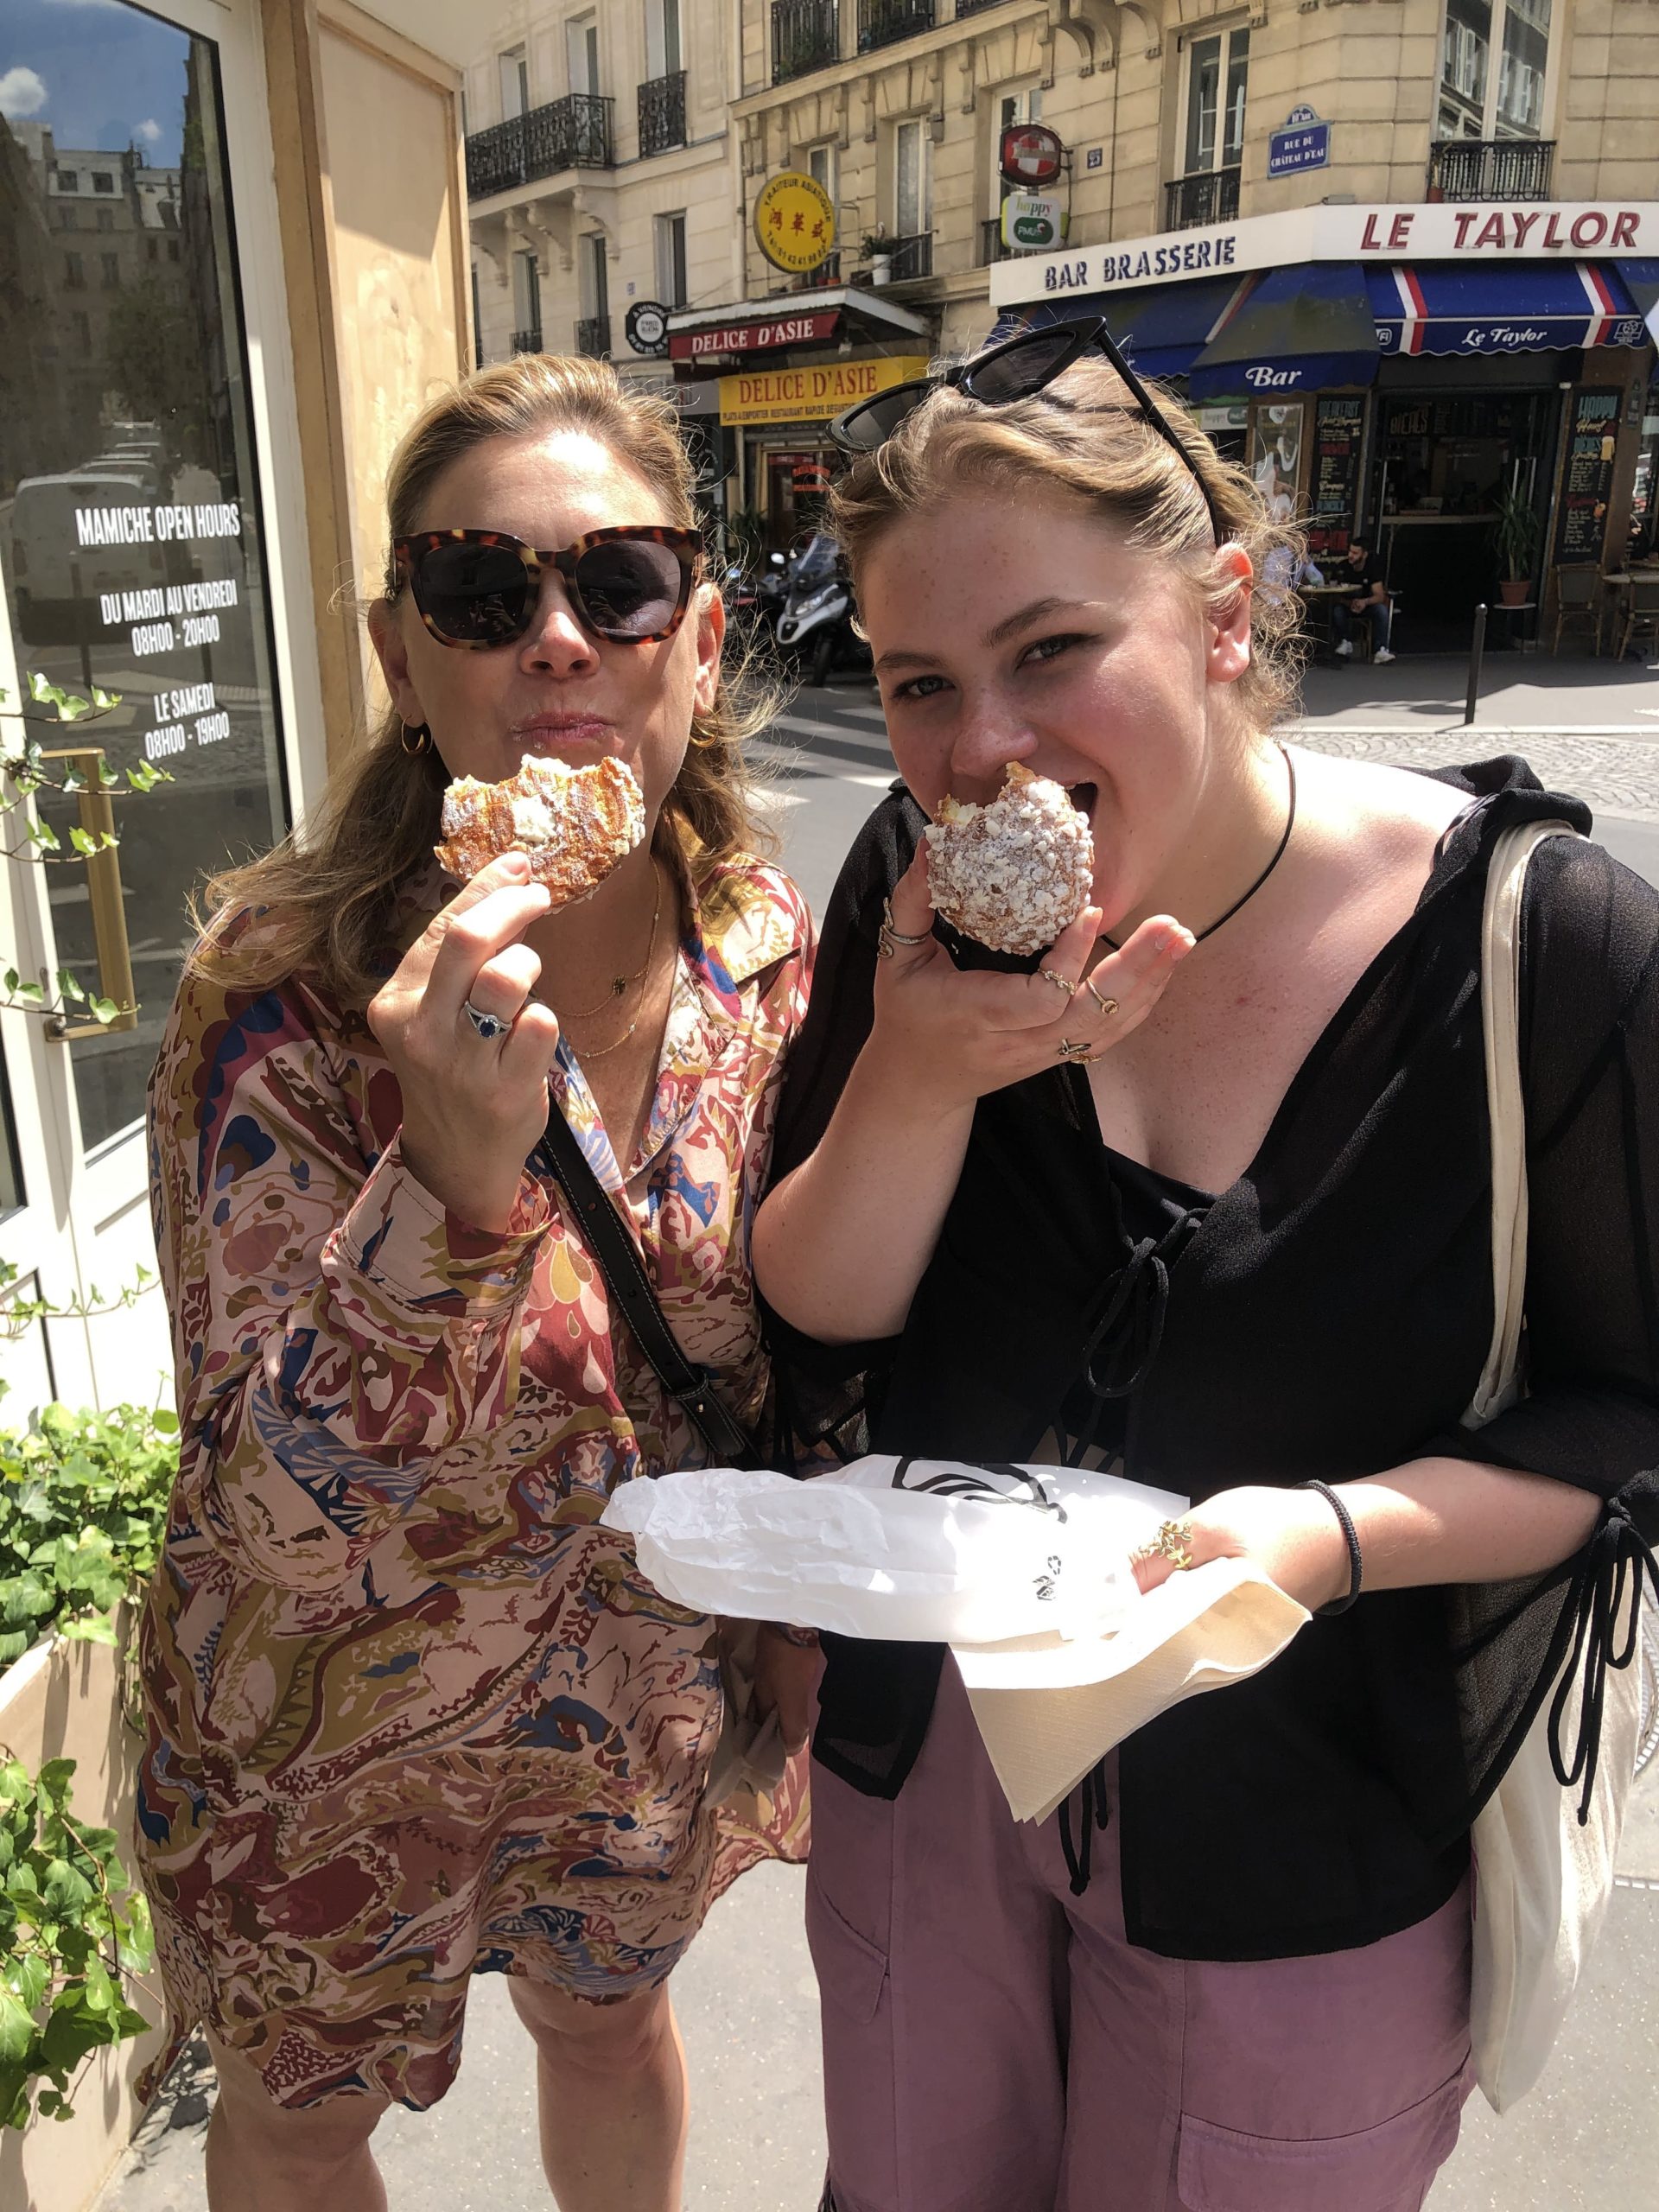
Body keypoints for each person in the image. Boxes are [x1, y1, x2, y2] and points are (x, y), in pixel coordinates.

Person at [751, 323, 1659, 2212]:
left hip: (1307, 1820)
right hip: (934, 1761)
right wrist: (919, 1072)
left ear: (1228, 613)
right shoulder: (916, 905)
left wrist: (1328, 1537)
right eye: (920, 682)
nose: (978, 748)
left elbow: (1634, 1422)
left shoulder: (1537, 947)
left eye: (1052, 652)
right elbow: (821, 1304)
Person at [134, 354, 821, 2212]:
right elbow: (267, 1513)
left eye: (617, 584)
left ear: (698, 629)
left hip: (632, 1691)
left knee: (609, 2030)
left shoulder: (766, 954)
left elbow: (804, 1332)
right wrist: (443, 1179)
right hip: (322, 1723)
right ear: (401, 649)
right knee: (299, 2120)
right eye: (481, 590)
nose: (556, 642)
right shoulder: (277, 995)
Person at [1331, 536, 1395, 662]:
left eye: (1355, 553)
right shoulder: (1342, 567)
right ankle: (1345, 642)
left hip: (1367, 605)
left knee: (1381, 610)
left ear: (1364, 555)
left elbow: (1379, 595)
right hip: (1347, 605)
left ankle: (1380, 649)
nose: (1351, 555)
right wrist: (1349, 603)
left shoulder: (1372, 568)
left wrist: (1364, 602)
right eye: (1350, 551)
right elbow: (1334, 593)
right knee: (1337, 611)